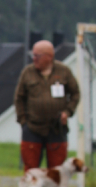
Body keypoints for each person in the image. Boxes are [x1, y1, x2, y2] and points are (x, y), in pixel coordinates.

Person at [14, 40, 80, 172]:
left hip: (56, 129)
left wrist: (67, 112)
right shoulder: (28, 72)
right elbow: (19, 98)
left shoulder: (64, 71)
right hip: (32, 128)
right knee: (31, 170)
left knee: (57, 171)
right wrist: (23, 122)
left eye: (37, 56)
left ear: (49, 56)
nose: (34, 59)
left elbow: (75, 94)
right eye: (33, 55)